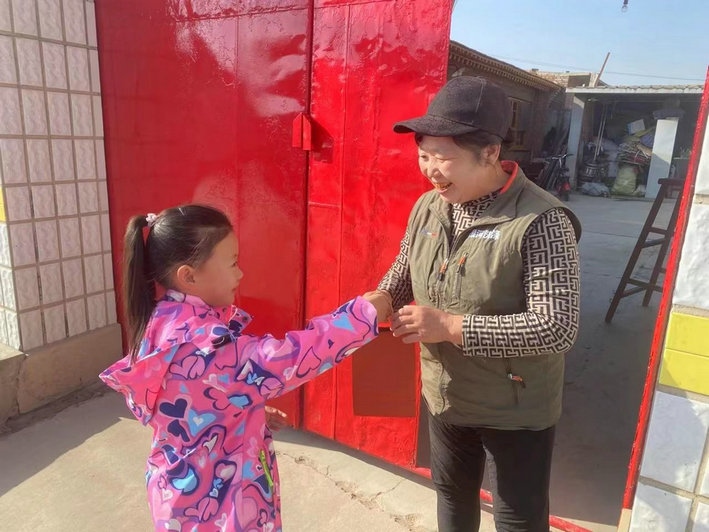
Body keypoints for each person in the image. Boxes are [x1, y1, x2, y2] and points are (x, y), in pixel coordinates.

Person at [367, 76, 582, 531]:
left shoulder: (541, 220)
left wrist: (450, 326)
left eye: (443, 157)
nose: (430, 170)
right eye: (424, 155)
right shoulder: (428, 207)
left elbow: (556, 327)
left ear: (489, 153)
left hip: (515, 406)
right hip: (447, 393)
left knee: (517, 516)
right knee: (452, 494)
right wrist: (382, 298)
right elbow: (405, 269)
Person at [100, 204, 390, 531]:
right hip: (223, 511)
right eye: (233, 263)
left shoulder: (163, 321)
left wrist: (245, 412)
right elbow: (291, 358)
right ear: (189, 276)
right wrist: (363, 316)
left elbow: (192, 401)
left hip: (180, 498)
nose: (240, 274)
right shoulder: (207, 347)